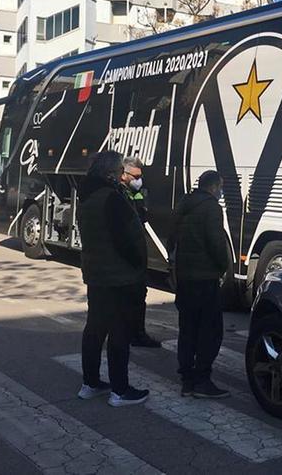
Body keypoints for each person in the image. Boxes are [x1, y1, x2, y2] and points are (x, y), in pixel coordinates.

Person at [76, 150, 150, 407]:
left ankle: (91, 382)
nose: (123, 174)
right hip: (119, 276)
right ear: (111, 172)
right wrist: (138, 263)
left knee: (95, 329)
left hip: (96, 273)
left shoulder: (88, 196)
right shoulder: (112, 198)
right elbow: (126, 238)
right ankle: (120, 389)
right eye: (120, 170)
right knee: (120, 332)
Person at [170, 170, 230, 399]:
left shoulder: (185, 202)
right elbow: (216, 242)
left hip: (185, 277)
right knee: (210, 331)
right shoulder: (212, 207)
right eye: (221, 187)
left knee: (187, 329)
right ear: (214, 187)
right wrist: (222, 266)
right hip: (205, 278)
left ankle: (187, 379)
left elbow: (172, 237)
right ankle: (202, 379)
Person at [119, 156, 161, 349]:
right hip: (126, 259)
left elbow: (141, 216)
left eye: (140, 176)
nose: (139, 180)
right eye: (135, 176)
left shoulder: (133, 193)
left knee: (138, 297)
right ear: (124, 174)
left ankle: (136, 333)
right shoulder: (119, 195)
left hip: (136, 257)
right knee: (128, 299)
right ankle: (129, 334)